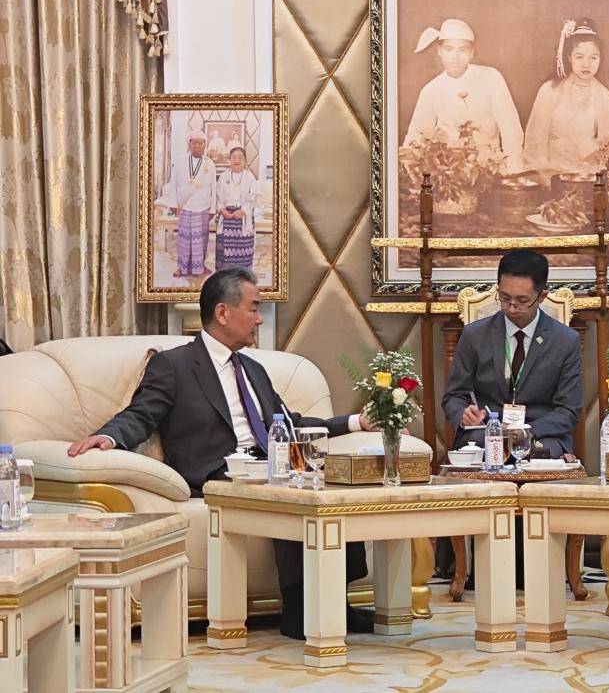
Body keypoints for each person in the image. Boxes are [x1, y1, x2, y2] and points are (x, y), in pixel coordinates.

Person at [66, 268, 376, 639]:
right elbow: (141, 414)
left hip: (269, 463)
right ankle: (300, 610)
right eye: (254, 308)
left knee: (329, 483)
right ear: (223, 313)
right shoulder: (175, 365)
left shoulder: (254, 369)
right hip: (217, 470)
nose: (260, 319)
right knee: (284, 486)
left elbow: (289, 422)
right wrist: (108, 437)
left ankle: (335, 601)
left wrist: (356, 422)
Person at [442, 249, 582, 459]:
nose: (512, 308)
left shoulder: (565, 341)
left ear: (541, 296)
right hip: (487, 432)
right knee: (484, 447)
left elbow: (569, 410)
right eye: (505, 297)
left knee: (541, 453)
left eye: (522, 300)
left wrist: (526, 431)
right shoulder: (475, 335)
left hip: (540, 434)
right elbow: (454, 396)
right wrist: (463, 414)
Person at [403, 18, 524, 173]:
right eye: (448, 49)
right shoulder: (431, 90)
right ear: (439, 51)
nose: (455, 56)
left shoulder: (491, 78)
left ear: (472, 53)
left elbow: (510, 127)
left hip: (491, 169)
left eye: (462, 50)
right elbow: (416, 136)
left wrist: (513, 171)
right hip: (449, 173)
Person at [523, 17, 609, 179]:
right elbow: (535, 142)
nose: (586, 64)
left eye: (593, 57)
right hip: (551, 174)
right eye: (579, 57)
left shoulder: (605, 97)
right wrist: (545, 177)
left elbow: (606, 149)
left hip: (587, 176)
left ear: (601, 58)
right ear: (568, 57)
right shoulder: (550, 91)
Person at [163, 129, 217, 279]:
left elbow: (214, 187)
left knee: (201, 239)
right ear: (189, 144)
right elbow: (173, 184)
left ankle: (199, 266)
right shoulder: (180, 162)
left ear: (205, 145)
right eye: (194, 143)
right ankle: (182, 268)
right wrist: (173, 203)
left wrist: (212, 209)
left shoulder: (210, 163)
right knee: (184, 239)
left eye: (200, 143)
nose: (197, 146)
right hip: (186, 206)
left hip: (203, 207)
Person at [215, 145, 258, 271]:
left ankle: (243, 274)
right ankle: (225, 275)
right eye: (234, 157)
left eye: (240, 157)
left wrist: (243, 211)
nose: (237, 160)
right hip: (226, 216)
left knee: (244, 249)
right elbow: (218, 197)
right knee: (225, 250)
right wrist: (222, 210)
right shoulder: (223, 177)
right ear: (230, 160)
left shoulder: (250, 177)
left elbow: (253, 197)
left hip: (243, 216)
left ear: (245, 161)